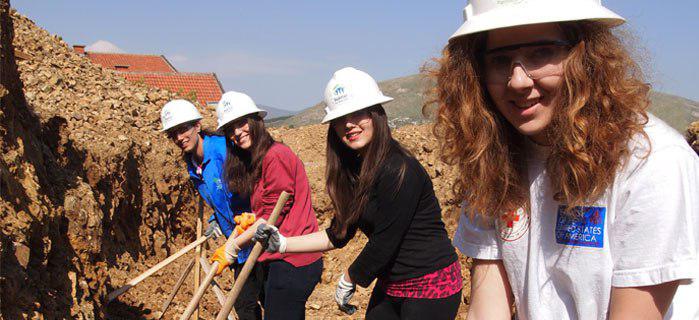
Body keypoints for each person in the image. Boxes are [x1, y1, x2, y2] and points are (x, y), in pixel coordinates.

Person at [429, 1, 699, 319]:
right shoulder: (492, 159)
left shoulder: (652, 162)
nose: (518, 80)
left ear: (585, 57)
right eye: (500, 60)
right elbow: (488, 306)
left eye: (541, 53)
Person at [253, 67, 462, 320]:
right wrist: (284, 243)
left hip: (430, 283)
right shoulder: (355, 172)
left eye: (357, 114)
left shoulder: (399, 168)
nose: (349, 124)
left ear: (376, 114)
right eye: (340, 119)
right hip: (392, 283)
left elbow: (385, 241)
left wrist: (350, 277)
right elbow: (338, 234)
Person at [209, 91, 323, 320]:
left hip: (293, 260)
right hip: (280, 258)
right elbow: (267, 211)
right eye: (231, 129)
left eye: (241, 124)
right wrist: (252, 219)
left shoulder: (274, 156)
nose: (237, 133)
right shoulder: (258, 159)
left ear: (256, 121)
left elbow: (273, 218)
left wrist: (234, 246)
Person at [159, 99, 261, 319]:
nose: (179, 138)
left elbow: (253, 181)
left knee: (270, 301)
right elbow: (219, 198)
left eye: (183, 130)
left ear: (197, 126)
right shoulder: (192, 165)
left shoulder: (222, 149)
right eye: (173, 134)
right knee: (245, 308)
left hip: (258, 237)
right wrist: (216, 217)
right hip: (236, 245)